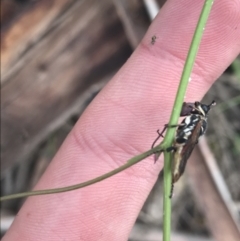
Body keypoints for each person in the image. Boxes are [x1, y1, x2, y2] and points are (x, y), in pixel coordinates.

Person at [3, 1, 240, 240]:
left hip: (177, 147)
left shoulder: (197, 122)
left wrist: (175, 139)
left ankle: (169, 178)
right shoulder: (193, 117)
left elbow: (185, 136)